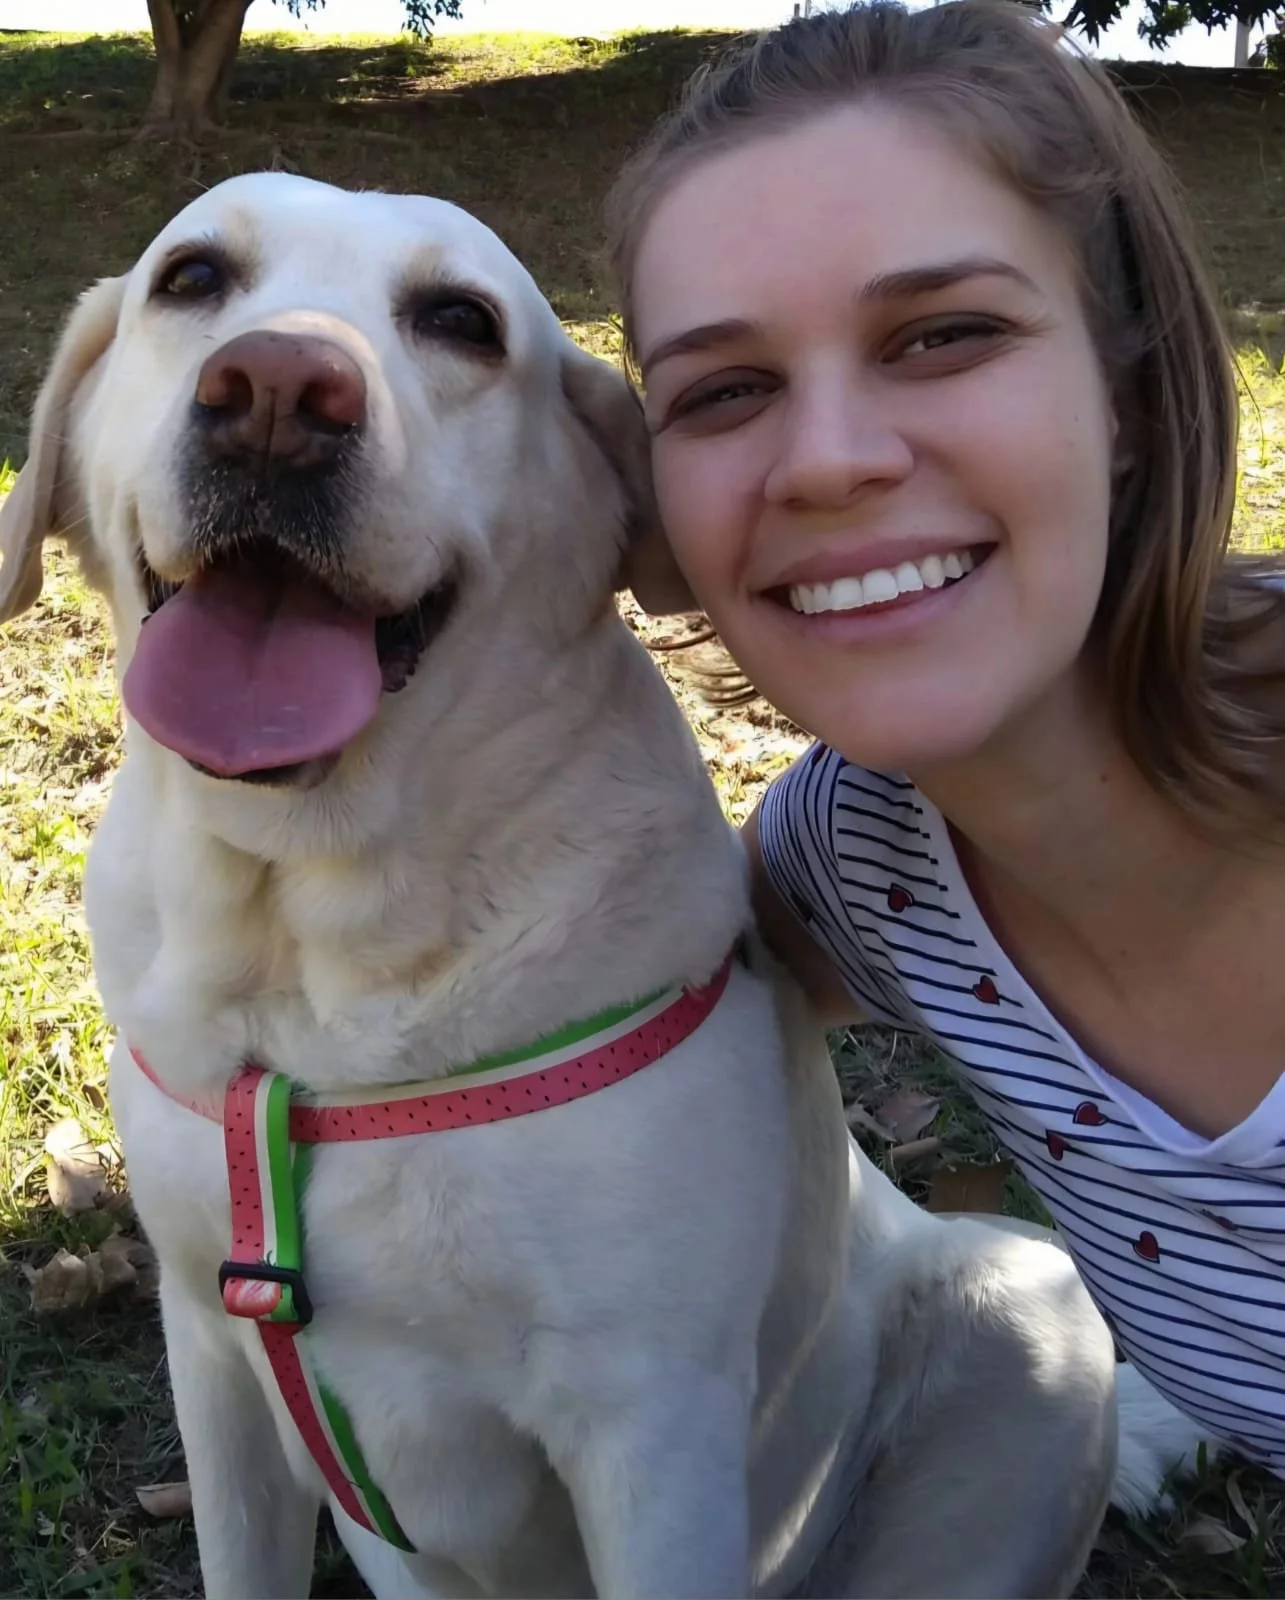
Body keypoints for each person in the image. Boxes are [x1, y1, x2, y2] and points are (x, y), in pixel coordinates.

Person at [606, 0, 1285, 1478]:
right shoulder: (862, 863)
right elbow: (562, 1018)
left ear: (1126, 389)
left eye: (945, 334)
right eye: (724, 391)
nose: (832, 458)